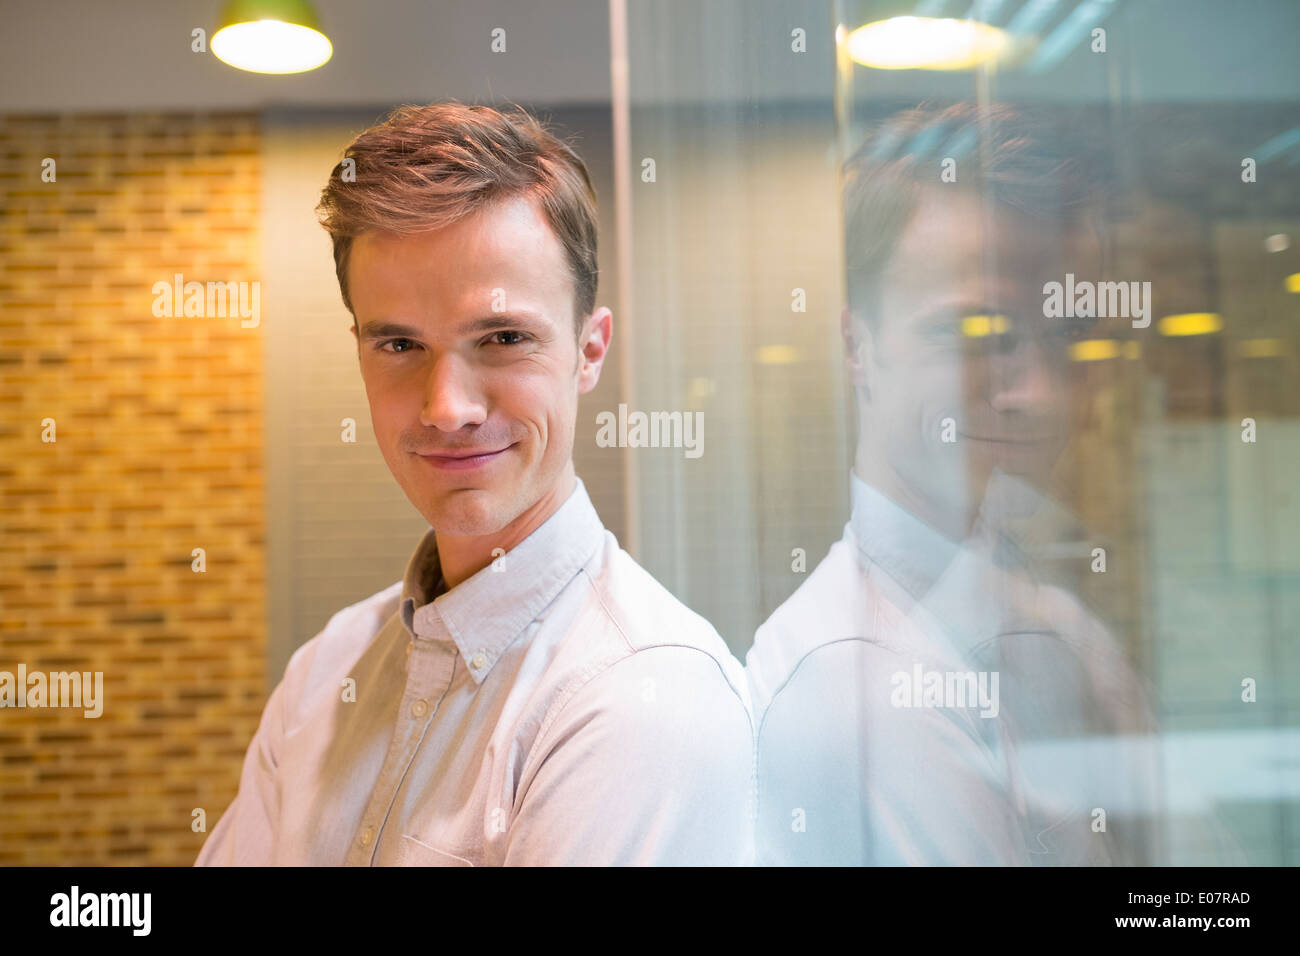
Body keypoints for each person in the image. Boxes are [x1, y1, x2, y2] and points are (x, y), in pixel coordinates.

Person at [196, 102, 754, 866]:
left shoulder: (645, 698)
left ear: (589, 352)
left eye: (502, 339)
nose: (447, 408)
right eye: (399, 343)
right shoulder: (325, 674)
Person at [747, 103, 1177, 865]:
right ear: (859, 346)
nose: (1041, 393)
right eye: (977, 334)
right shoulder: (845, 684)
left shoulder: (1058, 623)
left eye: (1069, 334)